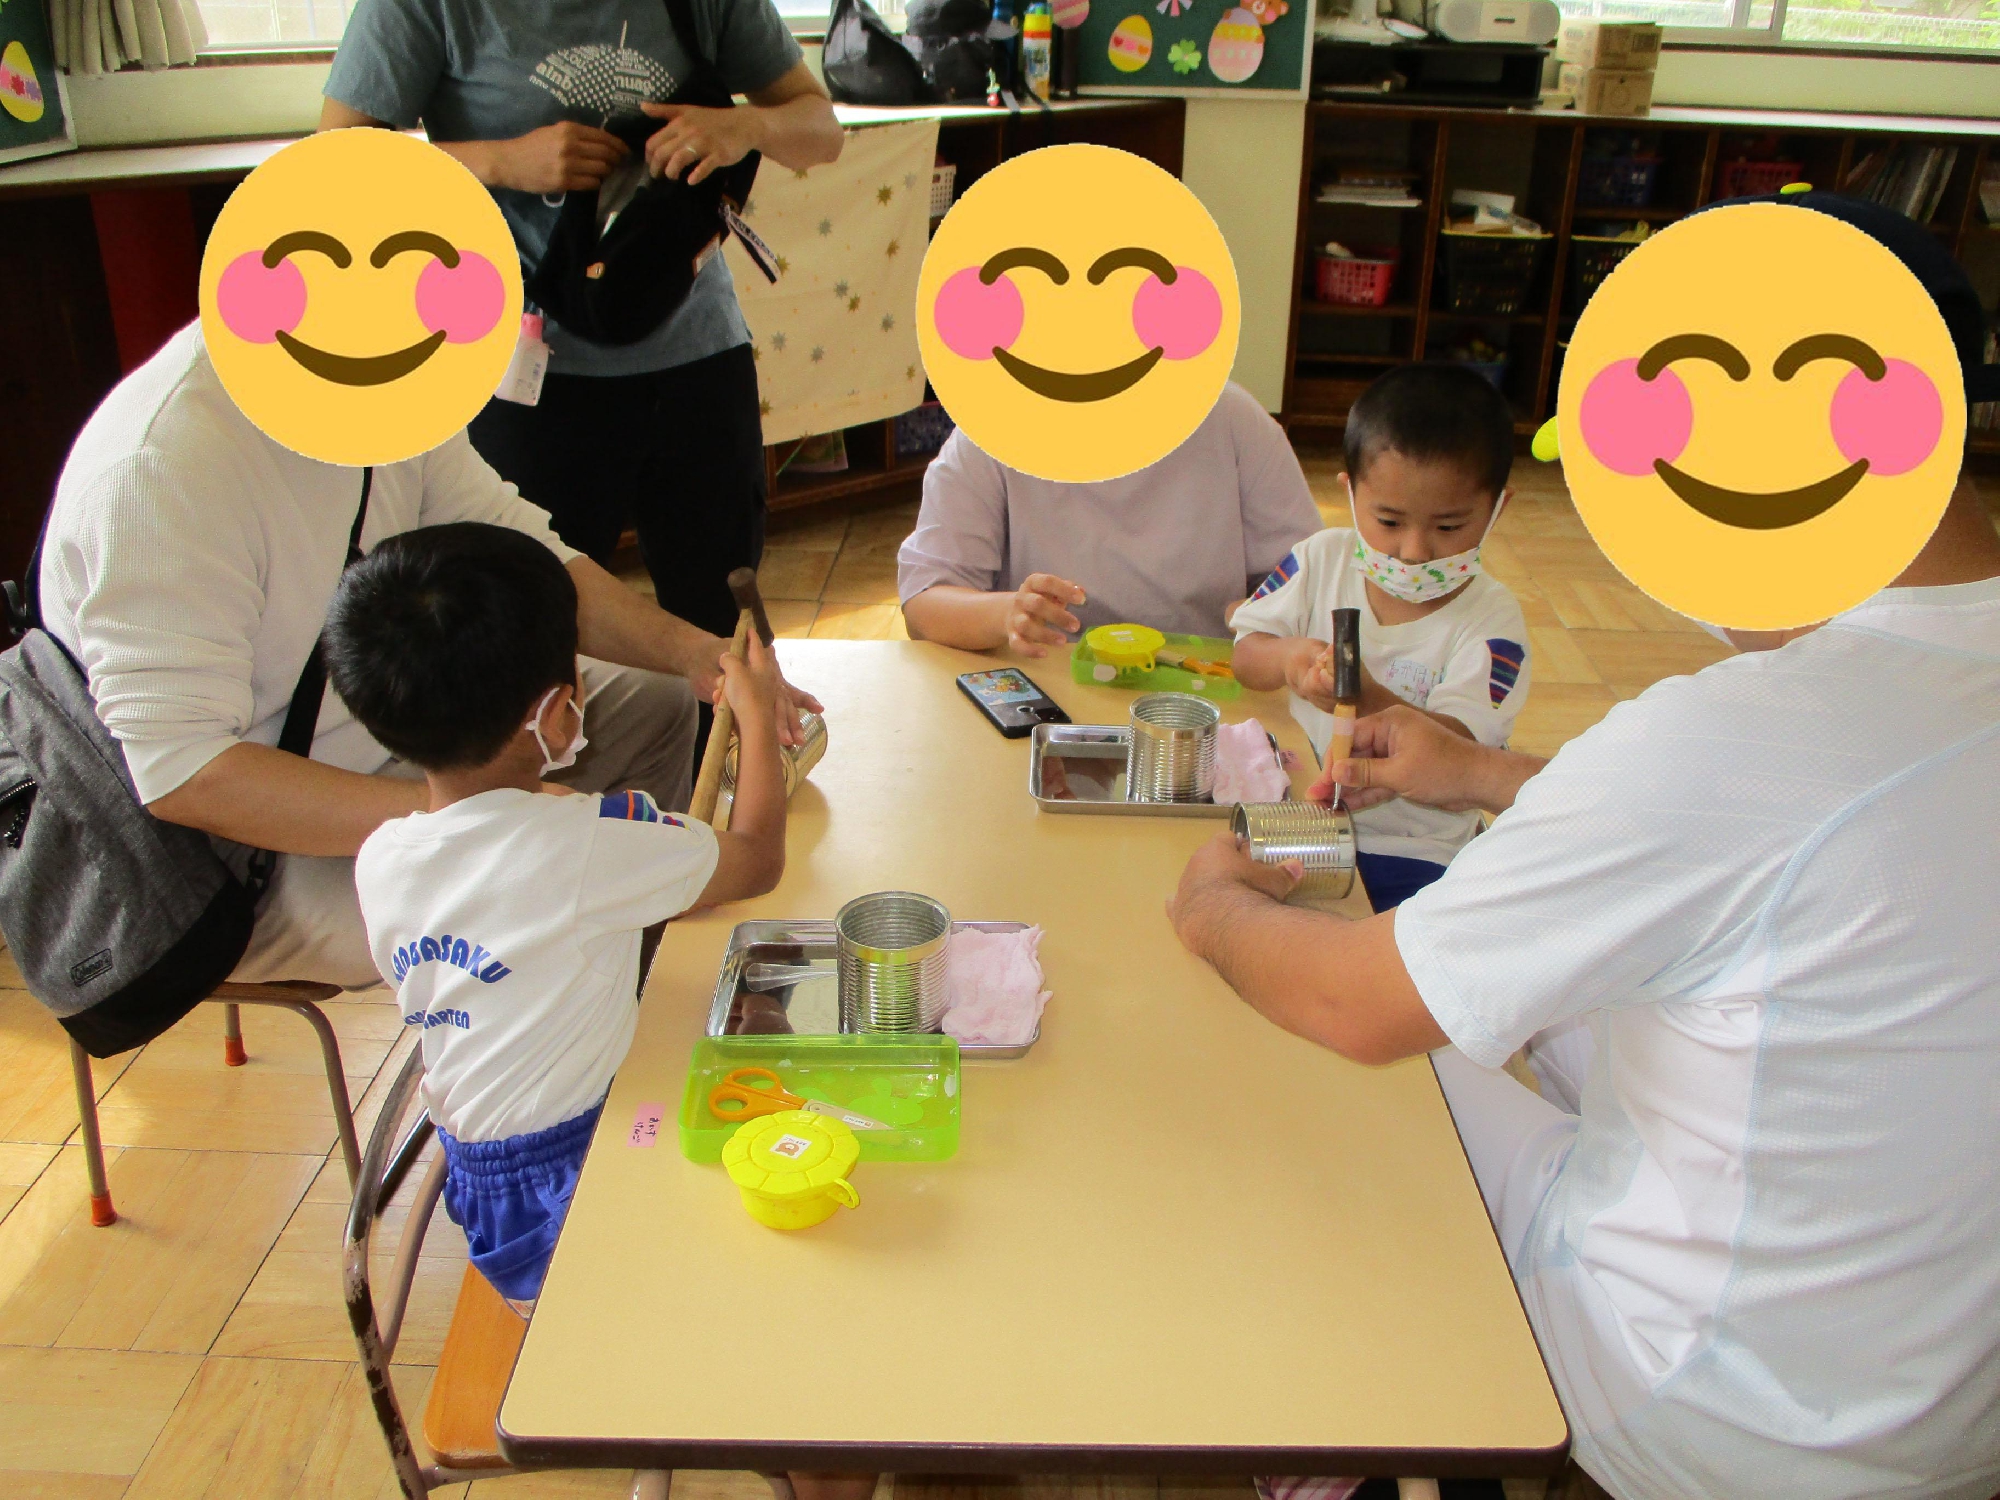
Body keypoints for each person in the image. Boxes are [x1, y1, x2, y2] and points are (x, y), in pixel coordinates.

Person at [1165, 296, 2000, 1497]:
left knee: (1348, 1058)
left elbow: (1354, 1002)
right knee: (1569, 999)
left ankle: (1356, 1423)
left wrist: (1211, 906)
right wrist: (1488, 775)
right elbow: (1767, 849)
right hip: (1952, 1411)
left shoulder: (1735, 733)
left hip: (1725, 1410)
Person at [38, 320, 820, 990]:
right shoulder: (158, 471)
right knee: (530, 882)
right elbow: (185, 775)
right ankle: (531, 1033)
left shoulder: (389, 366)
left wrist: (699, 655)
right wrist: (472, 819)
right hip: (232, 853)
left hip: (408, 731)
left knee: (652, 705)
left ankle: (627, 984)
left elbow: (525, 549)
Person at [331, 523, 786, 1311]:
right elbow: (757, 859)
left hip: (479, 1177)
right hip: (577, 1178)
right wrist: (755, 713)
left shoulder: (380, 856)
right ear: (556, 713)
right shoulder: (583, 848)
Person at [319, 0, 844, 639]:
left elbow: (822, 130)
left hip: (697, 357)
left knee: (721, 622)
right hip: (525, 373)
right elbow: (335, 167)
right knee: (526, 629)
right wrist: (502, 161)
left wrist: (746, 127)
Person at [1229, 363, 1529, 911]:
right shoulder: (1319, 559)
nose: (1414, 551)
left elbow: (1462, 749)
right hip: (1299, 816)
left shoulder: (1492, 622)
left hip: (1416, 850)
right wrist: (1290, 659)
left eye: (1448, 527)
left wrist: (1364, 694)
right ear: (1350, 493)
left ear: (1496, 509)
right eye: (1389, 522)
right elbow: (1246, 655)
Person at [898, 381, 1322, 654]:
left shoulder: (1232, 419)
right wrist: (1007, 613)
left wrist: (1270, 613)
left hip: (1204, 693)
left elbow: (1311, 583)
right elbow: (924, 599)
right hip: (1045, 686)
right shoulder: (991, 429)